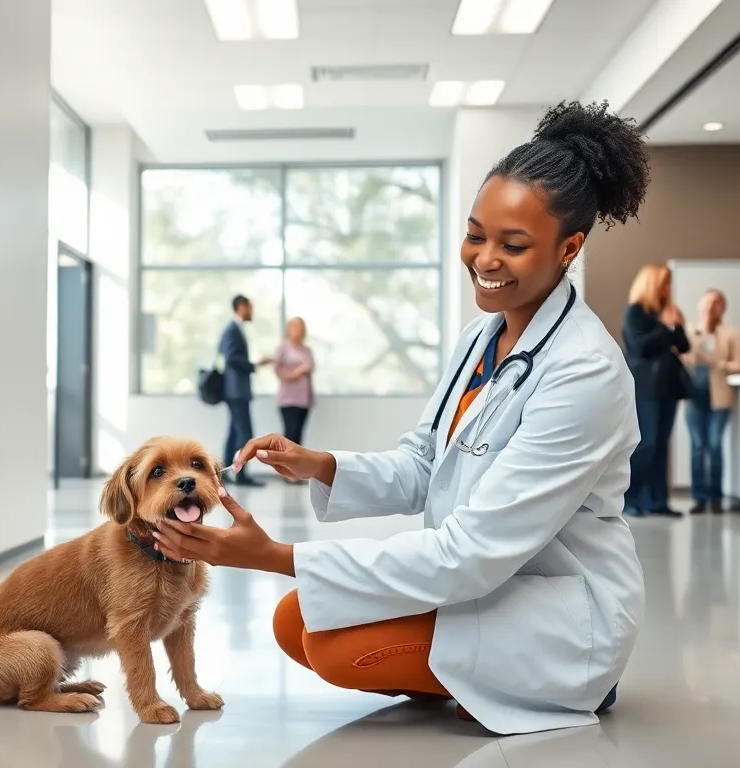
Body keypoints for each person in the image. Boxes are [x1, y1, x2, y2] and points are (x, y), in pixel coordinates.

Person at [153, 101, 649, 735]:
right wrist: (319, 463)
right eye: (476, 234)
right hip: (484, 581)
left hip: (556, 606)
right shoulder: (480, 338)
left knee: (334, 645)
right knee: (294, 622)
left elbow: (473, 552)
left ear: (569, 248)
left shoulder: (587, 372)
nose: (485, 259)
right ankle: (470, 672)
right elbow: (424, 460)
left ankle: (546, 682)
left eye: (513, 244)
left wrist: (273, 554)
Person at [621, 263, 689, 518]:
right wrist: (664, 327)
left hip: (668, 387)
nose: (668, 289)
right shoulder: (635, 313)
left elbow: (683, 346)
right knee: (645, 444)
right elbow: (638, 347)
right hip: (646, 388)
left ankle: (658, 501)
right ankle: (632, 500)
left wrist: (678, 327)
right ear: (651, 285)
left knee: (662, 444)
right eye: (664, 283)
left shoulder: (666, 312)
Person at [680, 290, 740, 514]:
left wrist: (718, 362)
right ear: (700, 305)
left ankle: (716, 498)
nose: (711, 307)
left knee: (715, 445)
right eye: (708, 302)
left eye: (717, 303)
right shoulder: (689, 331)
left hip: (720, 399)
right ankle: (699, 498)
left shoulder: (731, 333)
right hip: (693, 399)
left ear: (723, 309)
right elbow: (681, 359)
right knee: (698, 447)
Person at [219, 295, 270, 487]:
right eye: (250, 307)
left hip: (236, 390)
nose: (252, 311)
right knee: (245, 434)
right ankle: (241, 476)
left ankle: (224, 473)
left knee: (234, 432)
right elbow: (232, 358)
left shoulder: (234, 330)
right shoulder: (232, 330)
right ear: (241, 307)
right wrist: (254, 365)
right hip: (236, 391)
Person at [274, 318, 315, 467]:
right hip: (288, 399)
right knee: (289, 436)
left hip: (304, 399)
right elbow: (278, 372)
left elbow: (311, 369)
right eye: (295, 327)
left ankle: (297, 470)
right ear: (289, 329)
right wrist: (295, 373)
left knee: (298, 436)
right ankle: (287, 470)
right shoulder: (283, 348)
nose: (298, 330)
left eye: (300, 327)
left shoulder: (307, 350)